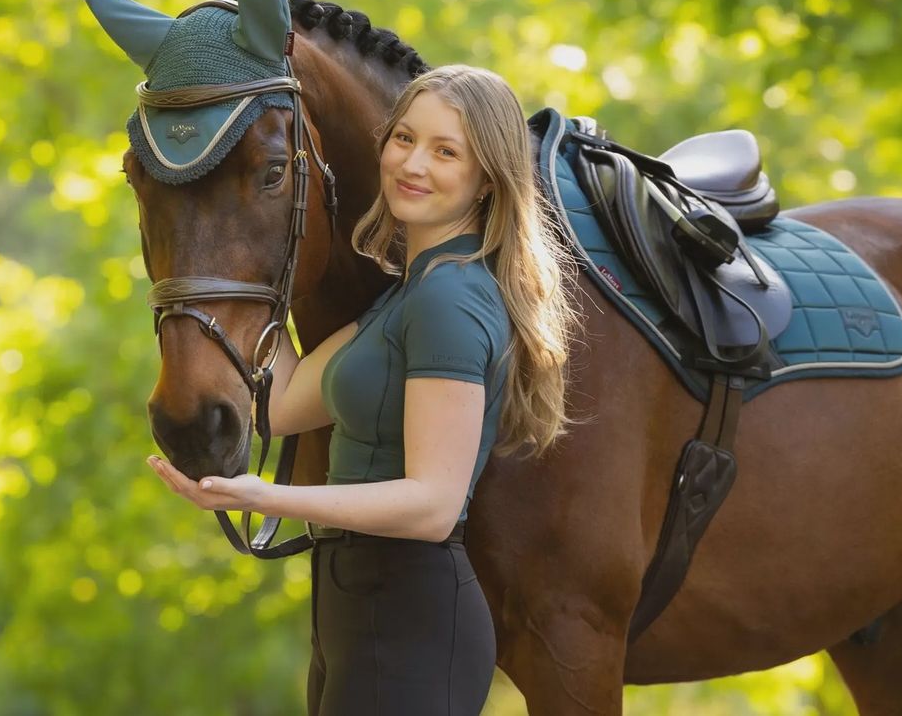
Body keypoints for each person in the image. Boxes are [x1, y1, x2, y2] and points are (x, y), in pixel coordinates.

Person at [147, 64, 582, 715]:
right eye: (404, 138)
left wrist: (270, 497)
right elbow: (284, 405)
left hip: (408, 617)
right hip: (357, 612)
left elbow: (435, 505)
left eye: (445, 151)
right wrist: (250, 266)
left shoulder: (450, 301)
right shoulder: (407, 296)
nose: (413, 163)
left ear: (486, 176)